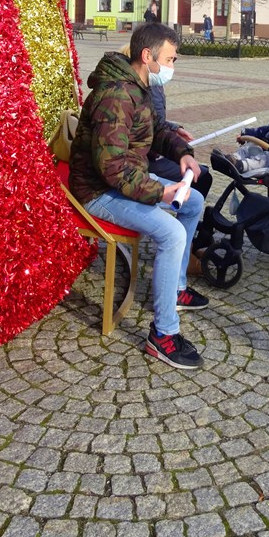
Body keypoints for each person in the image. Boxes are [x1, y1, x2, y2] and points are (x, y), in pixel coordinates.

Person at [69, 23, 210, 370]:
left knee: (193, 202)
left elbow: (155, 129)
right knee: (171, 232)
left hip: (123, 179)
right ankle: (162, 335)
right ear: (147, 57)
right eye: (169, 58)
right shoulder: (116, 96)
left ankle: (174, 288)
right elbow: (111, 167)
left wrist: (183, 153)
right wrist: (159, 191)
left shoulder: (138, 86)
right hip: (98, 191)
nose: (172, 66)